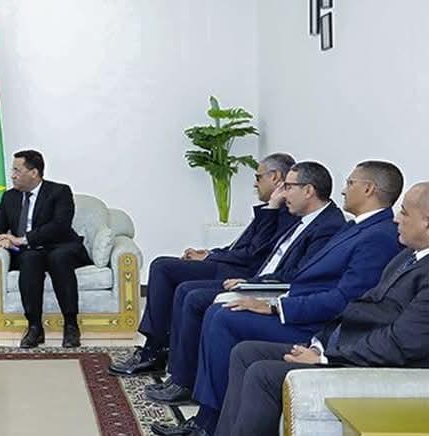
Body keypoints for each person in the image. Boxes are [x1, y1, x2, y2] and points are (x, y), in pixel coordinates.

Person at [151, 161, 404, 436]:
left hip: (313, 323)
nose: (343, 190)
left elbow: (346, 299)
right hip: (296, 304)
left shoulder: (377, 236)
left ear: (368, 189)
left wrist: (275, 307)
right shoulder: (356, 227)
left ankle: (207, 423)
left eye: (350, 183)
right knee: (220, 313)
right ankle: (208, 418)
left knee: (224, 318)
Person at [213, 182, 429, 436]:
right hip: (346, 346)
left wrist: (327, 358)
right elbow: (358, 308)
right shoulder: (407, 256)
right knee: (246, 353)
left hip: (375, 364)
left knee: (263, 374)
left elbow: (400, 343)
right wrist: (319, 344)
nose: (396, 219)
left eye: (404, 212)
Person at [144, 160, 346, 405]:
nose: (283, 192)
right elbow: (257, 247)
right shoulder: (303, 217)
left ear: (308, 190)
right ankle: (179, 375)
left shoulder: (324, 225)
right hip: (257, 279)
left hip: (269, 288)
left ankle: (186, 383)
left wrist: (252, 282)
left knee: (199, 299)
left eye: (288, 187)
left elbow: (281, 266)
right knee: (184, 287)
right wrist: (216, 254)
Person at [110, 153, 298, 376]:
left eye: (258, 178)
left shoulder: (286, 212)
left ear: (275, 177)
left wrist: (209, 259)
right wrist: (210, 253)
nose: (255, 184)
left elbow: (254, 254)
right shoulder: (270, 209)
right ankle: (158, 349)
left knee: (163, 268)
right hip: (228, 264)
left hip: (238, 272)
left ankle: (154, 352)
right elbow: (240, 246)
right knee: (163, 267)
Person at [0, 149, 89, 348]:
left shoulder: (59, 192)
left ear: (34, 173)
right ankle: (34, 327)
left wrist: (22, 240)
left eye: (17, 170)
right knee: (29, 260)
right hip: (31, 251)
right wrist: (0, 238)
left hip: (61, 245)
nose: (12, 175)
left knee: (58, 259)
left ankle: (71, 325)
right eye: (12, 170)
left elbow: (60, 225)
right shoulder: (10, 197)